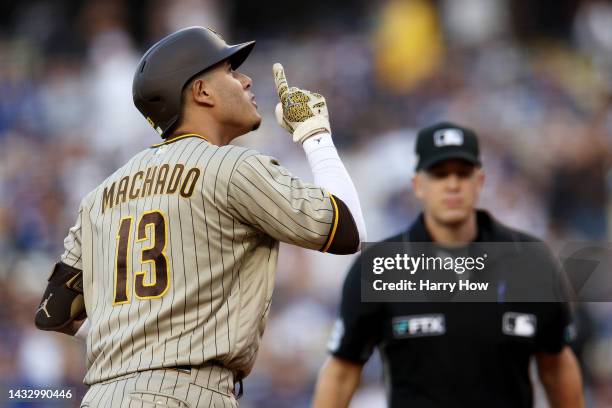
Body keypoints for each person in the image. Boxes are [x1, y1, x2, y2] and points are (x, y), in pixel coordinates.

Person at [34, 26, 366, 407]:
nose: (245, 79)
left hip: (103, 396)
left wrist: (133, 344)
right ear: (201, 92)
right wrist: (315, 134)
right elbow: (349, 230)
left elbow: (54, 311)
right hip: (188, 394)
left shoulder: (100, 195)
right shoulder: (232, 167)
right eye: (229, 70)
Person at [313, 122, 584, 408]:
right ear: (418, 184)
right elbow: (342, 370)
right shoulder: (380, 267)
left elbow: (556, 364)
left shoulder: (530, 260)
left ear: (479, 181)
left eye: (463, 174)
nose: (452, 184)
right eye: (439, 174)